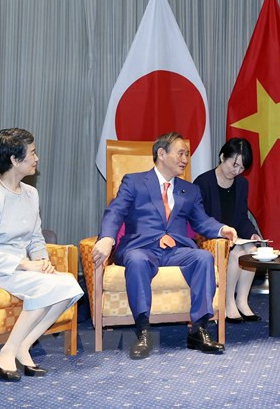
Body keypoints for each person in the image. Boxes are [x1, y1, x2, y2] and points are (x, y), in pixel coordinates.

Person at [91, 132, 238, 359]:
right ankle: (143, 331)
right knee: (137, 260)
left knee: (203, 258)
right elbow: (116, 211)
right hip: (141, 248)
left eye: (187, 154)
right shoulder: (134, 181)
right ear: (161, 153)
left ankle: (199, 330)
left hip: (176, 250)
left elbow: (201, 221)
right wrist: (107, 238)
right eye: (180, 153)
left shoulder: (190, 190)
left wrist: (221, 229)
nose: (185, 159)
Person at [0, 128, 83, 381]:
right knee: (44, 289)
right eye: (32, 153)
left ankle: (23, 345)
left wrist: (43, 262)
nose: (37, 158)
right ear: (14, 160)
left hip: (21, 267)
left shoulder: (31, 193)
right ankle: (6, 353)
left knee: (70, 285)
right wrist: (25, 265)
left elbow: (35, 237)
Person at [194, 138, 261, 324]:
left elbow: (241, 217)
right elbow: (199, 219)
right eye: (234, 165)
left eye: (242, 168)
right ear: (222, 156)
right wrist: (222, 232)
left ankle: (242, 300)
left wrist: (252, 233)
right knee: (237, 251)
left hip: (233, 238)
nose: (237, 171)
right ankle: (227, 300)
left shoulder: (242, 184)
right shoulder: (203, 182)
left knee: (252, 249)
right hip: (209, 238)